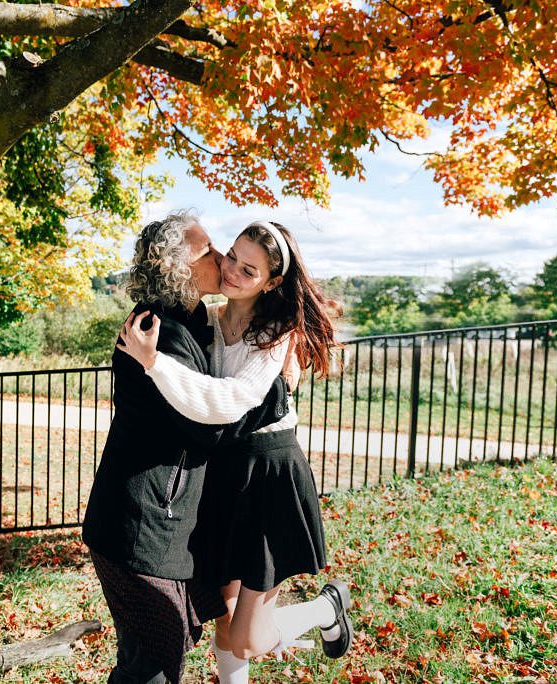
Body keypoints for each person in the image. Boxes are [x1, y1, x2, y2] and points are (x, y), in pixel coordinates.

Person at [117, 220, 354, 682]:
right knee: (224, 625)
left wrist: (153, 362)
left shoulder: (277, 332)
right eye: (231, 257)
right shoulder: (208, 319)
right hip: (224, 473)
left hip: (267, 471)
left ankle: (326, 607)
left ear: (273, 282)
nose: (232, 272)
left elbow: (225, 403)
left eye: (251, 270)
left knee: (246, 637)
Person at [81, 211, 294, 684]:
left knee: (162, 650)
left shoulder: (197, 318)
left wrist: (280, 363)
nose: (222, 259)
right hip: (139, 526)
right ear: (178, 267)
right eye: (209, 252)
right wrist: (275, 397)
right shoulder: (162, 332)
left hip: (164, 521)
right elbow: (213, 430)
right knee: (152, 666)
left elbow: (244, 345)